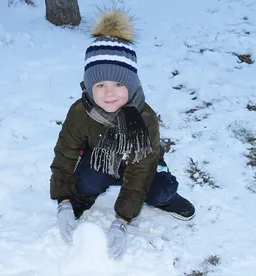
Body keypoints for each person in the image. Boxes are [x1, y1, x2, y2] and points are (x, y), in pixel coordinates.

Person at [50, 9, 195, 259]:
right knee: (86, 179)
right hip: (100, 162)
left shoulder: (145, 117)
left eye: (119, 84)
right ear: (89, 86)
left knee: (161, 188)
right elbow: (64, 154)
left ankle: (164, 200)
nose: (109, 93)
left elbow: (140, 171)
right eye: (100, 85)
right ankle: (80, 200)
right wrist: (63, 201)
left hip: (140, 165)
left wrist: (121, 220)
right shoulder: (79, 111)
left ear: (132, 85)